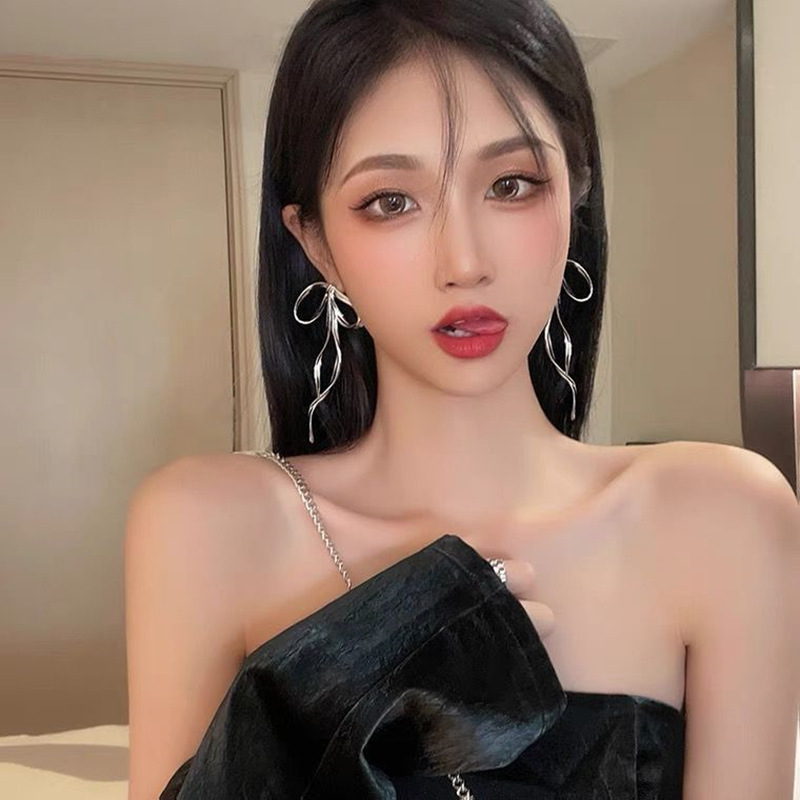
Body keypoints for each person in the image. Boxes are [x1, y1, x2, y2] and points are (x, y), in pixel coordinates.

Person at [124, 0, 800, 798]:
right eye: (390, 201)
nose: (464, 261)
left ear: (574, 198)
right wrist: (321, 692)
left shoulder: (722, 516)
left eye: (512, 184)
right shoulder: (209, 525)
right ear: (317, 245)